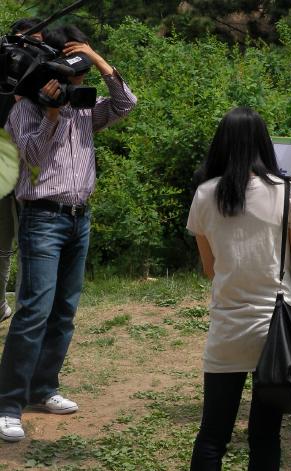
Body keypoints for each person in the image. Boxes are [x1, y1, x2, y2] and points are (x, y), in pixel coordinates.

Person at [0, 25, 137, 442]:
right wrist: (53, 114)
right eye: (70, 74)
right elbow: (35, 157)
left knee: (64, 311)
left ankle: (44, 388)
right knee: (33, 312)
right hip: (42, 217)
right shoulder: (25, 109)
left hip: (80, 217)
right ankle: (8, 404)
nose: (77, 82)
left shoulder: (86, 104)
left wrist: (95, 58)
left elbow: (126, 102)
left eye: (80, 75)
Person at [187, 107, 291, 470]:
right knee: (264, 435)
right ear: (264, 143)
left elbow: (210, 269)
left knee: (213, 434)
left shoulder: (206, 195)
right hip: (276, 331)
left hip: (227, 326)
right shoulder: (288, 192)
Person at [0, 18, 45, 324]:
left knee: (28, 239)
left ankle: (26, 309)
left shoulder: (45, 75)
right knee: (9, 240)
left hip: (32, 165)